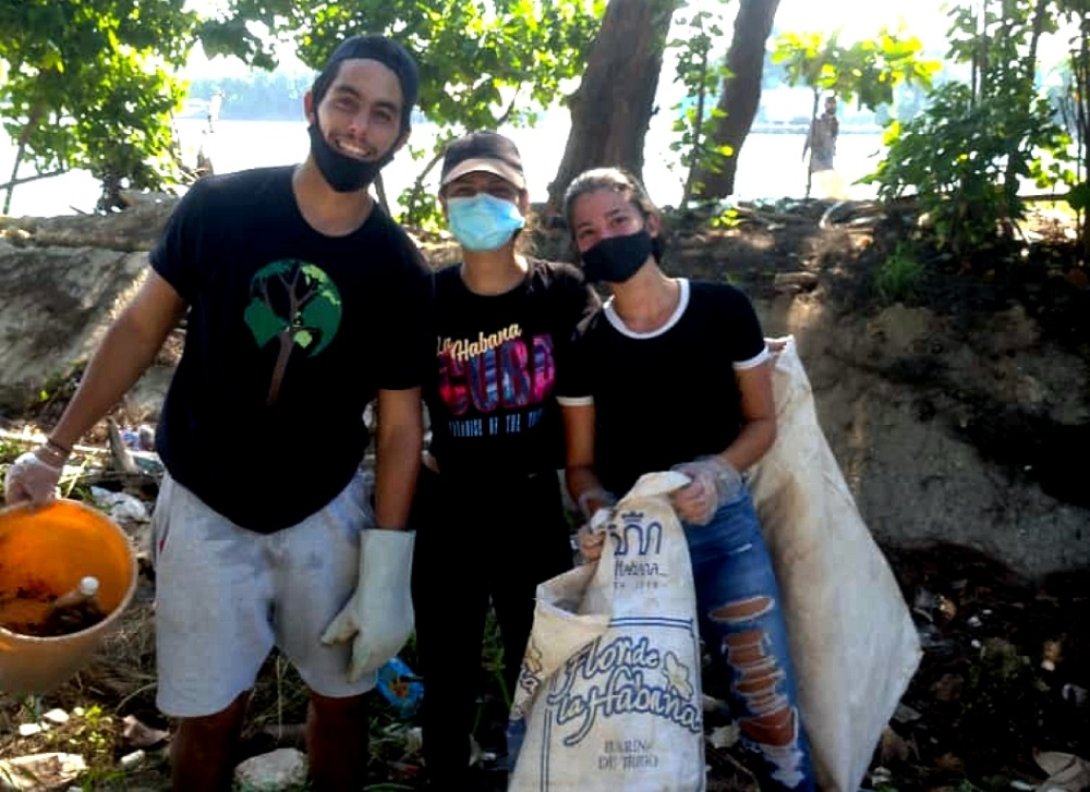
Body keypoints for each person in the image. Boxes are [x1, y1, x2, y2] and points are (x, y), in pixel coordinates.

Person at [4, 34, 432, 792]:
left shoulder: (397, 268)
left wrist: (387, 566)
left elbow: (400, 427)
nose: (358, 127)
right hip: (203, 505)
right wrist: (54, 449)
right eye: (345, 103)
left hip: (325, 512)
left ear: (399, 136)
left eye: (381, 115)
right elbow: (138, 328)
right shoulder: (222, 207)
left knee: (342, 703)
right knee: (205, 715)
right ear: (311, 104)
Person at [557, 167, 816, 792]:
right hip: (633, 546)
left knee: (765, 696)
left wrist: (716, 472)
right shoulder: (584, 345)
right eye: (587, 232)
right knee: (637, 720)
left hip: (723, 529)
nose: (605, 238)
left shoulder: (722, 309)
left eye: (618, 220)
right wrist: (596, 510)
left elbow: (760, 423)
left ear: (652, 222)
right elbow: (580, 466)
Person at [410, 131, 599, 790]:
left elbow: (609, 376)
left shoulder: (562, 291)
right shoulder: (425, 300)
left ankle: (542, 777)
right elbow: (397, 411)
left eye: (496, 189)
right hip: (448, 508)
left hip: (531, 506)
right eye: (463, 190)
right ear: (443, 205)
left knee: (541, 664)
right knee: (446, 671)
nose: (480, 200)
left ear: (525, 202)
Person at [803, 94, 839, 175]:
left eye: (834, 104)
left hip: (829, 159)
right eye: (830, 104)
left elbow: (833, 140)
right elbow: (809, 139)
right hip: (818, 159)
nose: (832, 106)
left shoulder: (835, 122)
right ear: (825, 105)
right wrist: (804, 155)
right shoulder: (818, 121)